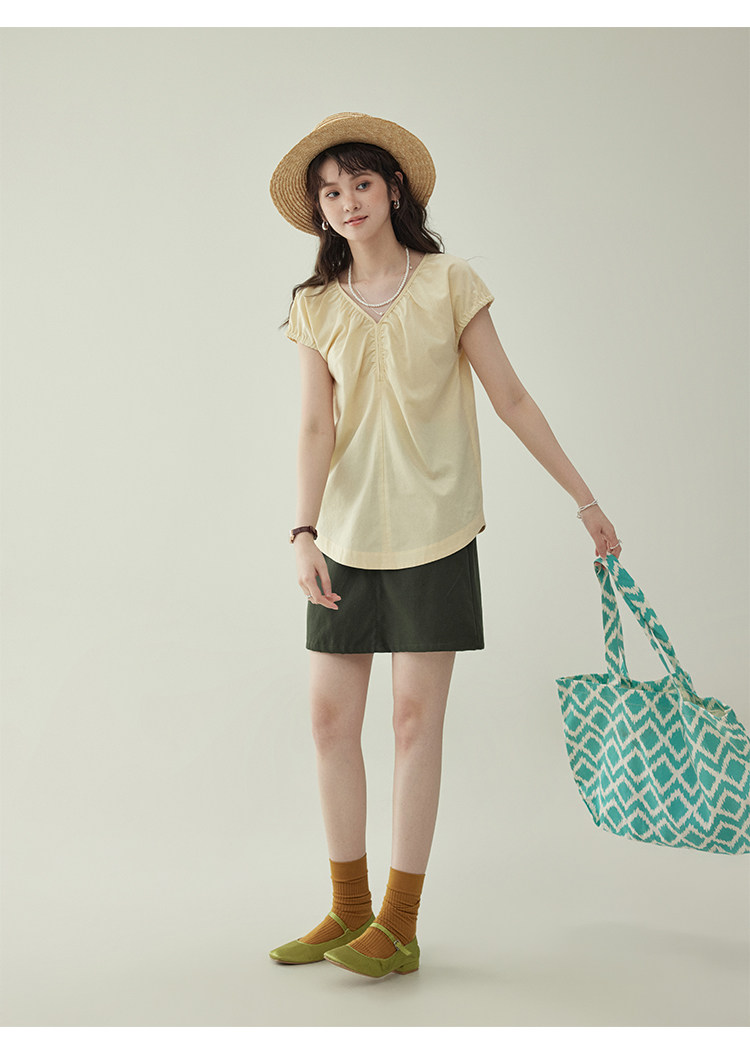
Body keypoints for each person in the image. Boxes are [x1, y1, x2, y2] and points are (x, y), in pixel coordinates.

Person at [267, 112, 621, 979]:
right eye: (330, 192)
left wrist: (583, 498)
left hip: (435, 533)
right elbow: (315, 425)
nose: (347, 202)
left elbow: (511, 397)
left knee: (413, 722)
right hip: (344, 536)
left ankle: (400, 922)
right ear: (319, 211)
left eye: (360, 183)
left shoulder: (450, 282)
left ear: (394, 189)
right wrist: (303, 530)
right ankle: (348, 908)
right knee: (328, 721)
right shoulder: (315, 305)